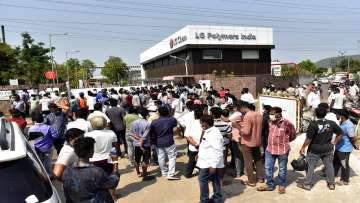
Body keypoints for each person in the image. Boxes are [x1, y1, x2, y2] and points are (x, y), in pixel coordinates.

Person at [298, 107, 343, 191]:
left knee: (310, 166)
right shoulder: (331, 123)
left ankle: (307, 184)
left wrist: (303, 147)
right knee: (329, 166)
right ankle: (331, 184)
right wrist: (335, 142)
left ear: (315, 114)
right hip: (328, 149)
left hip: (314, 149)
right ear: (325, 114)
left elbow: (309, 139)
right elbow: (340, 133)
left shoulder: (313, 124)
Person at [62, 137, 120, 203]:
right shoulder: (96, 172)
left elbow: (67, 194)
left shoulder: (67, 171)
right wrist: (115, 163)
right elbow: (112, 183)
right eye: (92, 148)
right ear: (90, 151)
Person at [257, 107, 296, 194]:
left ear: (279, 114)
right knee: (268, 168)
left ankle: (281, 185)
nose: (271, 115)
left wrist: (285, 142)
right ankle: (269, 185)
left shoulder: (287, 123)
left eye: (272, 113)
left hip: (282, 151)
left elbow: (293, 135)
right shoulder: (269, 122)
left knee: (282, 169)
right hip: (270, 149)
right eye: (270, 113)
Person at [232, 101, 264, 187]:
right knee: (258, 160)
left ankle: (251, 181)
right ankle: (260, 178)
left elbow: (246, 132)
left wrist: (237, 126)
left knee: (248, 162)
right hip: (257, 141)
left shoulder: (247, 116)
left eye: (239, 109)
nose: (240, 111)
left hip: (247, 142)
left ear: (243, 107)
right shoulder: (259, 114)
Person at [197, 115, 224, 203]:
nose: (201, 124)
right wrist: (199, 154)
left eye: (201, 123)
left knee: (202, 180)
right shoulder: (208, 131)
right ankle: (217, 199)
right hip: (206, 160)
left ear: (205, 123)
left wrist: (213, 165)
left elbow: (218, 150)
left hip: (209, 163)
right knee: (215, 180)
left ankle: (204, 200)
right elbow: (205, 145)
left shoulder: (214, 134)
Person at [149, 106, 179, 180]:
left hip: (158, 142)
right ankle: (171, 174)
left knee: (161, 157)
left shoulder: (154, 122)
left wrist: (152, 142)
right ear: (168, 112)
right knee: (172, 157)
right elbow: (175, 124)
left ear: (158, 113)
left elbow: (152, 133)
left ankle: (164, 172)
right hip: (169, 142)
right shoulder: (171, 120)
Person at [334, 109, 359, 186]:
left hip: (345, 148)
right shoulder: (342, 122)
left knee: (344, 164)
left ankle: (344, 180)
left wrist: (354, 144)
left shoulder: (349, 125)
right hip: (339, 147)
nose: (336, 116)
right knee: (336, 162)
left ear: (342, 116)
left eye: (337, 114)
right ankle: (332, 174)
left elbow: (353, 137)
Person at [130, 108, 153, 181]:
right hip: (145, 145)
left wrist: (138, 139)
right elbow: (145, 136)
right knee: (145, 160)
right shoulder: (147, 123)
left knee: (137, 159)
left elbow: (131, 133)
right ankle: (145, 176)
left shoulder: (133, 123)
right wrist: (141, 142)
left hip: (136, 144)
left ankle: (138, 173)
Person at [184, 108, 203, 178]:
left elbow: (187, 136)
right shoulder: (205, 124)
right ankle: (203, 175)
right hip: (203, 146)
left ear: (194, 116)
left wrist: (195, 144)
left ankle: (188, 174)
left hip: (193, 147)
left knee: (191, 161)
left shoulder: (190, 123)